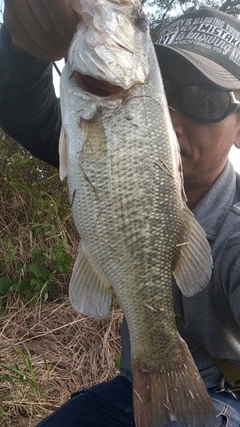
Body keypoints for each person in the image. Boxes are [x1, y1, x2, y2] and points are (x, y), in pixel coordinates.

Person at [1, 2, 240, 426]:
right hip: (134, 384)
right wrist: (26, 45)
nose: (174, 117)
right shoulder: (99, 129)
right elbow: (22, 108)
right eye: (164, 91)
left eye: (204, 100)